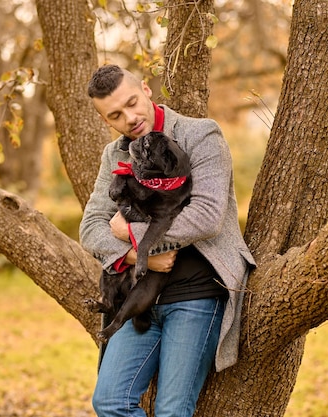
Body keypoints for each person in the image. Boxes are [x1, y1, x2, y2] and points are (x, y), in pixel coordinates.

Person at [80, 64, 255, 417]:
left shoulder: (200, 134)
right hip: (139, 298)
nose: (129, 118)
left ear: (145, 89)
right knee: (110, 401)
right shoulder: (114, 155)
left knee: (173, 411)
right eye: (116, 114)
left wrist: (132, 235)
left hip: (197, 293)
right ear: (106, 121)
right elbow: (90, 228)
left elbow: (206, 216)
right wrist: (136, 258)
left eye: (132, 103)